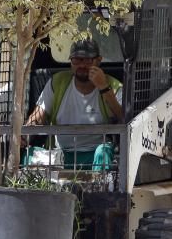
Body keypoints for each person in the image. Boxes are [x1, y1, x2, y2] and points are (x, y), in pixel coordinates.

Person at [25, 39, 123, 170]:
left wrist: (104, 87)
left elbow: (124, 119)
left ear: (98, 61)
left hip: (94, 153)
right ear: (70, 62)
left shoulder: (113, 86)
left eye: (88, 60)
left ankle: (97, 188)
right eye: (76, 60)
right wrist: (25, 135)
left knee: (103, 153)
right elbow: (38, 116)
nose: (82, 66)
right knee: (28, 155)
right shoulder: (57, 82)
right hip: (60, 155)